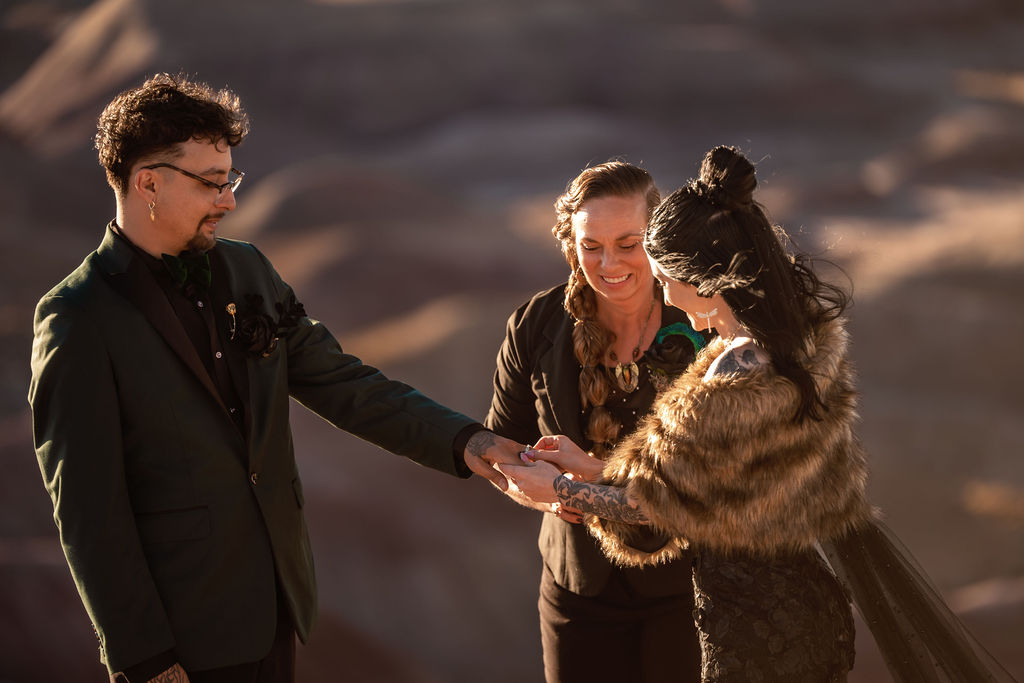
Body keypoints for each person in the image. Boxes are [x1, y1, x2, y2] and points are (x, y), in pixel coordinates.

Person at [27, 73, 522, 683]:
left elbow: (343, 383)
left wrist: (468, 441)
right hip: (177, 639)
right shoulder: (78, 318)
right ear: (146, 182)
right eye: (210, 183)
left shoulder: (250, 272)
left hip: (274, 609)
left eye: (229, 179)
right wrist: (146, 662)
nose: (229, 200)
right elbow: (85, 508)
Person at [502, 146, 1018, 683]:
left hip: (755, 621)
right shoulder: (790, 345)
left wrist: (556, 489)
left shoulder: (732, 375)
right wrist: (590, 469)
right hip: (796, 605)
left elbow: (655, 510)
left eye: (664, 275)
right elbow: (705, 487)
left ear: (701, 278)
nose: (667, 297)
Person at [485, 161, 708, 682]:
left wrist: (578, 481)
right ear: (571, 247)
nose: (609, 262)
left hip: (692, 589)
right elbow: (502, 453)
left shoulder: (702, 327)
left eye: (628, 243)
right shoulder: (534, 325)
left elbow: (706, 485)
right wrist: (540, 490)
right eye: (592, 246)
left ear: (659, 241)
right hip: (576, 594)